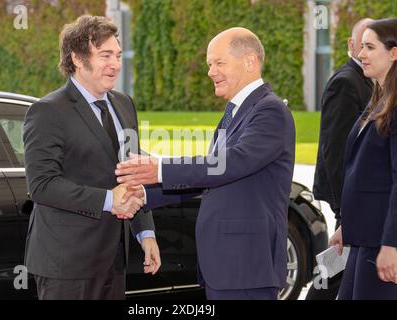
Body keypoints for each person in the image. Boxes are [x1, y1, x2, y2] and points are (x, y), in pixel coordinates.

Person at [116, 27, 295, 300]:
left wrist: (160, 169)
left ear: (250, 62)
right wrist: (143, 194)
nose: (211, 71)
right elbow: (212, 177)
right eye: (210, 64)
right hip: (227, 265)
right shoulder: (235, 113)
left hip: (245, 265)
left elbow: (229, 163)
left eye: (219, 63)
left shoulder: (270, 111)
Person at [23, 15, 161, 300]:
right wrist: (110, 200)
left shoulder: (124, 104)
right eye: (105, 55)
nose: (115, 64)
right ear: (77, 58)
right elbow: (42, 185)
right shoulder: (47, 112)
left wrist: (145, 233)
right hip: (67, 265)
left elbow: (131, 173)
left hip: (114, 261)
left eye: (118, 55)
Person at [330, 18, 397, 300]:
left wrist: (392, 245)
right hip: (363, 239)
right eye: (362, 47)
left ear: (394, 53)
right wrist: (347, 225)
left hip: (382, 243)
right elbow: (367, 173)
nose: (361, 54)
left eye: (370, 47)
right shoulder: (379, 100)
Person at [308, 18, 374, 300]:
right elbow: (334, 152)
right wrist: (344, 208)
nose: (366, 52)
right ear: (351, 45)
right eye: (363, 44)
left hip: (360, 196)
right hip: (347, 196)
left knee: (343, 265)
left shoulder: (369, 80)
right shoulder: (346, 83)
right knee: (336, 267)